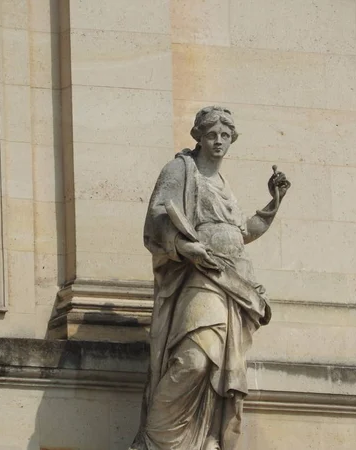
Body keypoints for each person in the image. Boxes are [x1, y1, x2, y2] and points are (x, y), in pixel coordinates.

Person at [129, 106, 291, 450]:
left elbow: (241, 232)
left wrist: (274, 203)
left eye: (225, 136)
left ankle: (203, 438)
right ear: (198, 137)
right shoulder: (180, 170)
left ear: (232, 140)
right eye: (211, 134)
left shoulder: (223, 185)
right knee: (195, 359)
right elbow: (156, 220)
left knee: (216, 366)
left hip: (233, 280)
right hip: (201, 275)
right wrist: (186, 248)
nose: (218, 141)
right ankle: (156, 439)